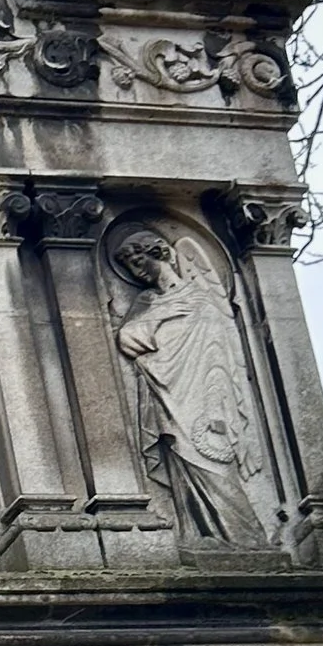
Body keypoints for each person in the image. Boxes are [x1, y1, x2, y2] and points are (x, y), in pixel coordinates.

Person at [107, 222, 281, 548]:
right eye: (130, 267)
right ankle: (200, 535)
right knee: (181, 462)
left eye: (138, 261)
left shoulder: (200, 296)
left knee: (217, 466)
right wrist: (160, 315)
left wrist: (218, 404)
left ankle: (250, 541)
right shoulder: (147, 302)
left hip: (203, 396)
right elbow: (129, 340)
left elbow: (218, 351)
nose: (138, 271)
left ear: (157, 253)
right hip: (167, 396)